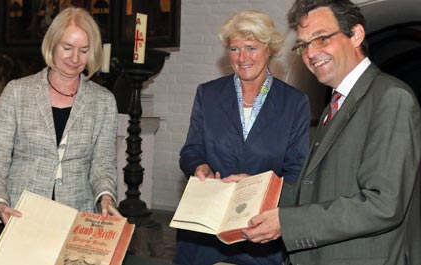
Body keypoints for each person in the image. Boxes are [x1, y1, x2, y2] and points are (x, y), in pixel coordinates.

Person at [229, 1, 421, 264]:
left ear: (356, 35)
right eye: (304, 45)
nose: (310, 53)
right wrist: (256, 188)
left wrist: (287, 223)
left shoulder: (390, 97)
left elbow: (383, 205)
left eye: (321, 39)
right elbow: (316, 186)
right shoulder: (338, 101)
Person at [176, 10, 311, 265]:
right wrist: (199, 166)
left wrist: (259, 189)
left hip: (260, 234)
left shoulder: (294, 103)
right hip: (205, 232)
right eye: (235, 49)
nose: (243, 57)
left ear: (269, 49)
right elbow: (191, 150)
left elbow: (296, 172)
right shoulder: (208, 94)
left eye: (251, 48)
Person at [0, 7, 120, 228]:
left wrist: (105, 195)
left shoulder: (103, 101)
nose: (75, 58)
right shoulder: (18, 92)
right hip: (21, 214)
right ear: (52, 44)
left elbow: (103, 163)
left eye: (84, 50)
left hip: (77, 215)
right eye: (67, 48)